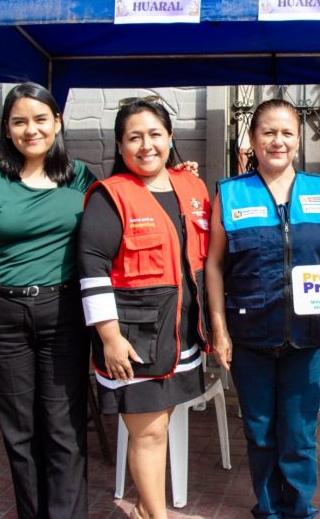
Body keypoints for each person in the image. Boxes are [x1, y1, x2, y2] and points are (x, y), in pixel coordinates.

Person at [205, 99, 320, 519]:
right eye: (268, 132)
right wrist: (219, 329)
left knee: (300, 434)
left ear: (299, 140)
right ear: (252, 139)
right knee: (259, 430)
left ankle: (301, 510)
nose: (278, 140)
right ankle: (268, 510)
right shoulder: (231, 193)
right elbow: (214, 266)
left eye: (287, 132)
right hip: (250, 335)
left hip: (306, 336)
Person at [0, 82, 94, 518]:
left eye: (40, 119)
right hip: (4, 315)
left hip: (65, 313)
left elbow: (126, 204)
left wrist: (176, 170)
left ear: (57, 122)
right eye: (19, 121)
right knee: (20, 430)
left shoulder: (79, 176)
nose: (30, 130)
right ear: (7, 128)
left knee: (64, 427)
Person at [77, 97, 209, 519]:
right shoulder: (109, 197)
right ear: (120, 146)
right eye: (134, 137)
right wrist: (109, 337)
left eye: (155, 134)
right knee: (149, 433)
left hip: (181, 337)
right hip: (134, 342)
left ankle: (140, 506)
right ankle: (157, 515)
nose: (146, 145)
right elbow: (92, 269)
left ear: (171, 138)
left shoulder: (191, 187)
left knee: (159, 425)